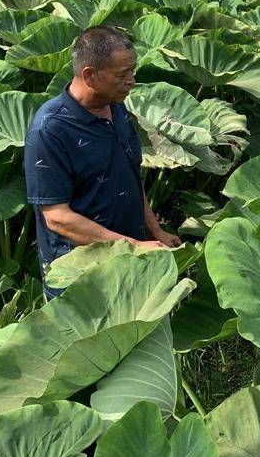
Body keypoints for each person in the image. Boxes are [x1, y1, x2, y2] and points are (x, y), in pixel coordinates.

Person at [25, 25, 181, 298]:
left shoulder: (118, 108)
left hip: (129, 258)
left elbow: (129, 175)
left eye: (133, 70)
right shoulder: (50, 129)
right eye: (122, 74)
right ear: (89, 75)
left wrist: (154, 231)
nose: (132, 80)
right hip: (81, 273)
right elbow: (57, 218)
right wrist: (132, 246)